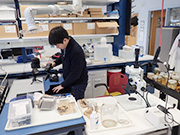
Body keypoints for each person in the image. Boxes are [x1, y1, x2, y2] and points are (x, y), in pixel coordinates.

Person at [47, 26, 88, 100]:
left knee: (77, 103)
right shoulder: (66, 45)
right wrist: (55, 63)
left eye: (58, 45)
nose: (57, 47)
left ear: (65, 40)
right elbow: (64, 56)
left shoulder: (76, 51)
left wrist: (62, 85)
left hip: (78, 84)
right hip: (70, 81)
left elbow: (75, 74)